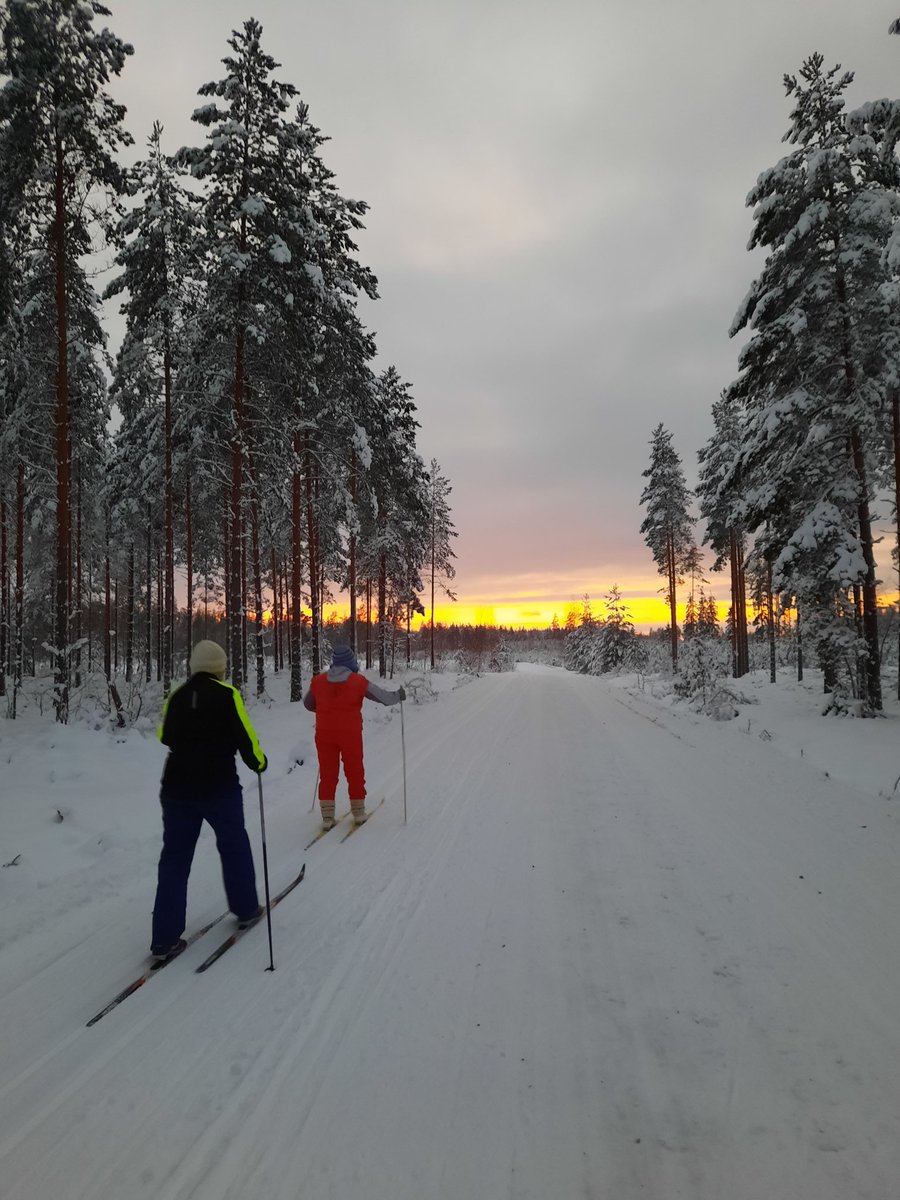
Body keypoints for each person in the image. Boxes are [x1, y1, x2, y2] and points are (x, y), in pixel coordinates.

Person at [150, 639, 267, 960]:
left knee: (174, 859)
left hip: (176, 789)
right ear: (220, 668)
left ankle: (164, 939)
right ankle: (245, 909)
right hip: (219, 788)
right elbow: (246, 738)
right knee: (233, 846)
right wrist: (258, 762)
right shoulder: (228, 695)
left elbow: (165, 736)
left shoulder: (176, 696)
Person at [303, 643, 405, 829]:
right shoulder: (358, 682)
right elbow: (384, 698)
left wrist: (326, 708)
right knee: (354, 770)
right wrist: (398, 695)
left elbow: (308, 704)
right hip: (350, 734)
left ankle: (327, 817)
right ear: (350, 662)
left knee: (328, 774)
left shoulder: (318, 681)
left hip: (324, 734)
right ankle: (358, 813)